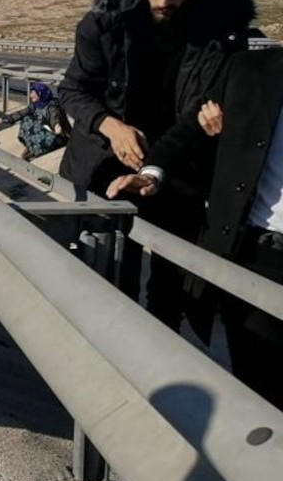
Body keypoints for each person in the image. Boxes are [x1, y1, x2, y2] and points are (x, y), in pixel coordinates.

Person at [57, 0, 255, 331]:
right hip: (106, 165)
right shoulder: (103, 23)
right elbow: (72, 90)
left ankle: (164, 353)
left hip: (180, 163)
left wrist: (223, 113)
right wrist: (111, 126)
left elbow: (230, 94)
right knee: (110, 272)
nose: (164, 0)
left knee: (173, 281)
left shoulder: (225, 31)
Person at [107, 44, 280, 407]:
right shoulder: (252, 69)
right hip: (257, 257)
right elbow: (185, 133)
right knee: (262, 394)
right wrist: (151, 174)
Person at [0, 81, 70, 160]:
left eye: (33, 93)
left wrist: (56, 125)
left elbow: (54, 116)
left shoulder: (52, 105)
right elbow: (20, 114)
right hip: (48, 134)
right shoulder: (35, 105)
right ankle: (33, 148)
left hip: (59, 136)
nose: (30, 95)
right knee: (26, 120)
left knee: (30, 123)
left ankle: (39, 149)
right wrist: (1, 120)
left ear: (40, 93)